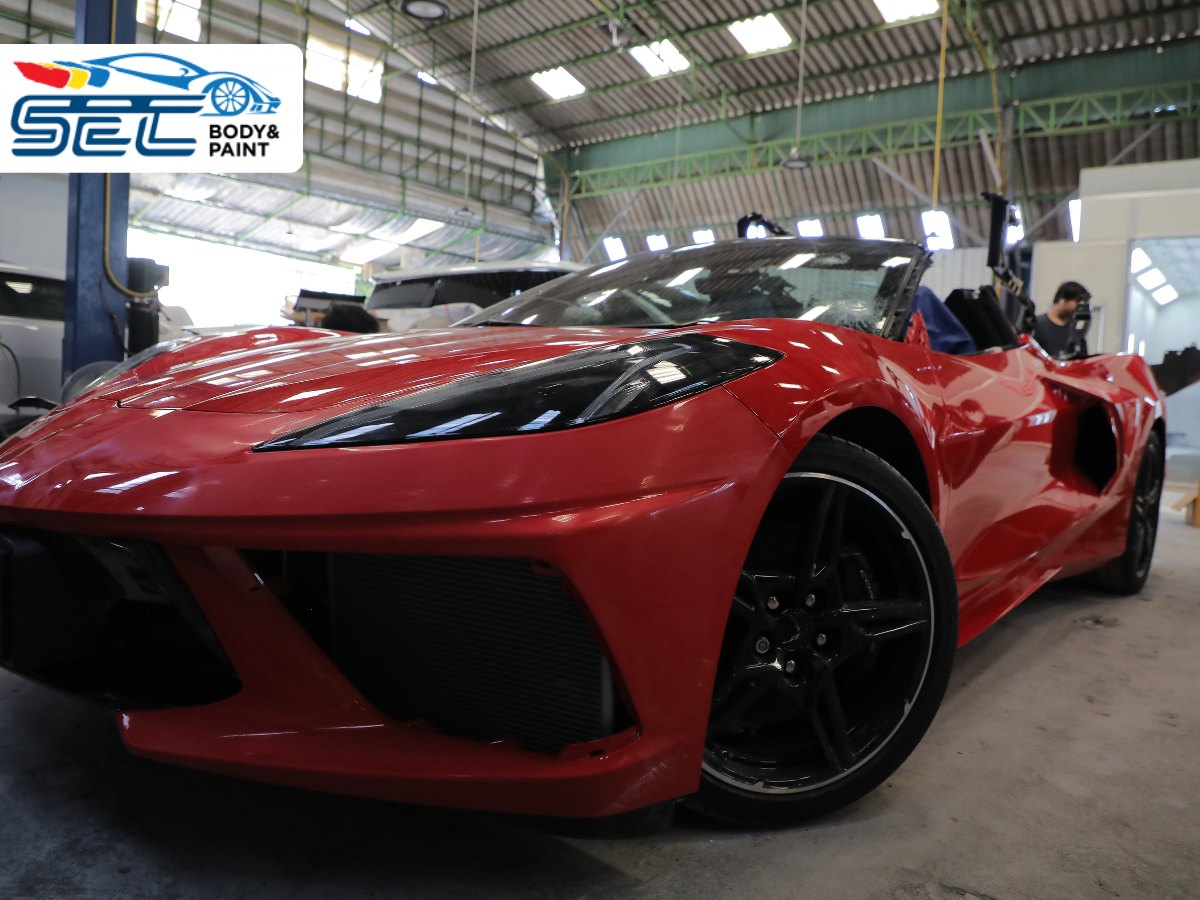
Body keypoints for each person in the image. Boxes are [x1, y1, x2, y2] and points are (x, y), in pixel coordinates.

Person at [1034, 281, 1089, 357]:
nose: (1080, 308)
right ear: (1062, 300)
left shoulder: (1077, 330)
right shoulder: (1036, 324)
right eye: (1077, 301)